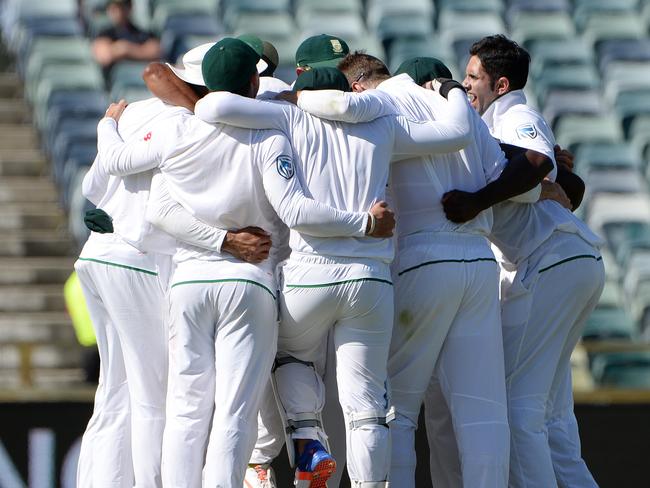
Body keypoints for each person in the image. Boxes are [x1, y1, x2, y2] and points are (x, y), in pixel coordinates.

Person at [95, 37, 395, 488]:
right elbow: (291, 207)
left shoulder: (179, 128)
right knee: (235, 413)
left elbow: (135, 182)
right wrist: (235, 242)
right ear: (257, 79)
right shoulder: (269, 133)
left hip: (189, 281)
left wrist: (107, 122)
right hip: (251, 282)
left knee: (185, 409)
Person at [193, 62, 490, 488]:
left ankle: (308, 440)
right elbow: (457, 131)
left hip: (312, 272)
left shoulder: (292, 115)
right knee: (368, 407)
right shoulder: (383, 122)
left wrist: (297, 100)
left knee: (289, 355)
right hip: (371, 280)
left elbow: (212, 107)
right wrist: (451, 90)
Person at [293, 52, 554, 488]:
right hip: (477, 261)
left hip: (422, 257)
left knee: (395, 409)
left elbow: (332, 113)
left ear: (357, 86)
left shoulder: (380, 104)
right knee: (484, 412)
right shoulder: (463, 114)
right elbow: (524, 193)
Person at [75, 42, 273, 488]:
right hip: (142, 259)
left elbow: (93, 185)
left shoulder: (138, 112)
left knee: (115, 391)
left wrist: (109, 122)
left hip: (97, 254)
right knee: (153, 397)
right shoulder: (192, 124)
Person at [446, 34, 604, 487]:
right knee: (552, 416)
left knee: (518, 409)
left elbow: (536, 164)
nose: (464, 85)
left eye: (473, 77)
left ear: (501, 84)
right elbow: (560, 181)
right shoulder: (500, 120)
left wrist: (477, 201)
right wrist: (553, 177)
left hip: (551, 259)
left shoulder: (515, 115)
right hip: (568, 258)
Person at [92, 0, 161, 75]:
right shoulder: (104, 33)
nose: (118, 12)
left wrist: (125, 49)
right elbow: (104, 56)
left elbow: (155, 52)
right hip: (114, 82)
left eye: (122, 7)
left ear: (130, 7)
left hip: (141, 79)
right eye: (114, 8)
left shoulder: (142, 33)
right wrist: (137, 50)